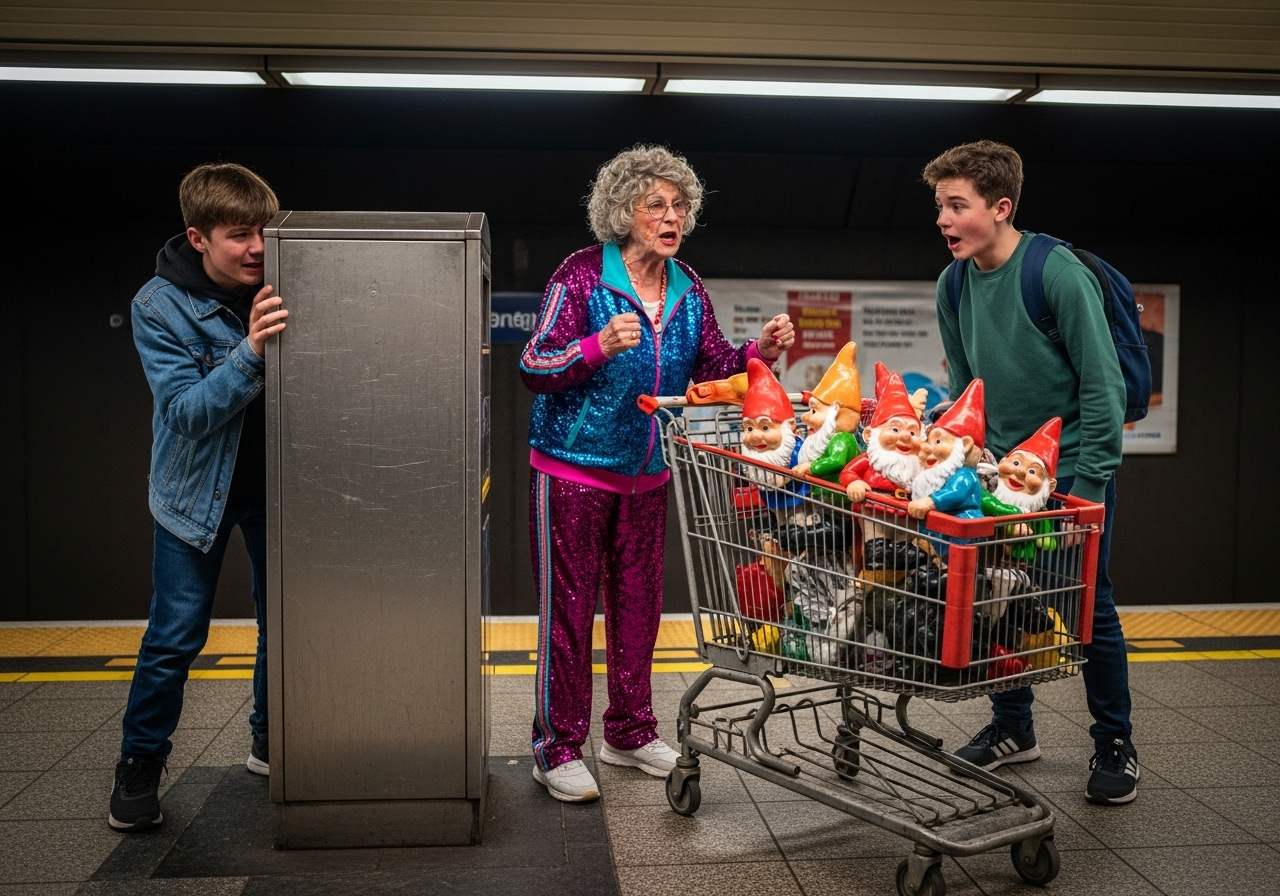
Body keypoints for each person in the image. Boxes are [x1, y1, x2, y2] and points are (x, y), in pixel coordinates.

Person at [520, 145, 794, 802]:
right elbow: (534, 364)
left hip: (649, 475)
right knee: (569, 614)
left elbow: (712, 368)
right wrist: (594, 346)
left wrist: (760, 353)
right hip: (573, 474)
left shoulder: (687, 286)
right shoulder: (582, 276)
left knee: (639, 610)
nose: (672, 217)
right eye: (657, 205)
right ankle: (555, 747)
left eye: (680, 206)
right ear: (623, 211)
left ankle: (629, 732)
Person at [924, 140, 1138, 805]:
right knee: (996, 595)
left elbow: (1103, 387)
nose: (944, 219)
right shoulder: (952, 283)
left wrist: (1090, 486)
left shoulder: (1055, 273)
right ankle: (1014, 728)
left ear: (1000, 207)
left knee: (1086, 611)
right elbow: (967, 392)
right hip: (997, 471)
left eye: (957, 206)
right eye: (940, 206)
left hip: (1066, 468)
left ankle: (1115, 741)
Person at [111, 164, 288, 831]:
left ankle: (270, 743)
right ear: (197, 237)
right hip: (194, 497)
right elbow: (185, 413)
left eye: (264, 233)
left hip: (279, 491)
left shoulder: (285, 282)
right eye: (239, 235)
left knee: (285, 628)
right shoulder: (158, 305)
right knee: (176, 635)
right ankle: (139, 764)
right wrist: (249, 353)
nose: (257, 249)